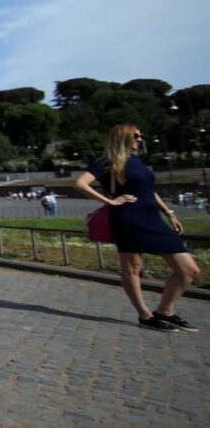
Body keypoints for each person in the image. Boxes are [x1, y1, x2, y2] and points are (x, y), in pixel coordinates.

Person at [74, 125, 201, 332]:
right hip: (128, 218)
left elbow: (149, 191)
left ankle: (165, 311)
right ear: (122, 138)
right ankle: (145, 315)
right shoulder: (108, 161)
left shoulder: (137, 160)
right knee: (133, 268)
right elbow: (80, 183)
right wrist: (110, 201)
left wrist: (169, 213)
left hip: (153, 219)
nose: (140, 139)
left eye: (141, 135)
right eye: (136, 136)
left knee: (189, 270)